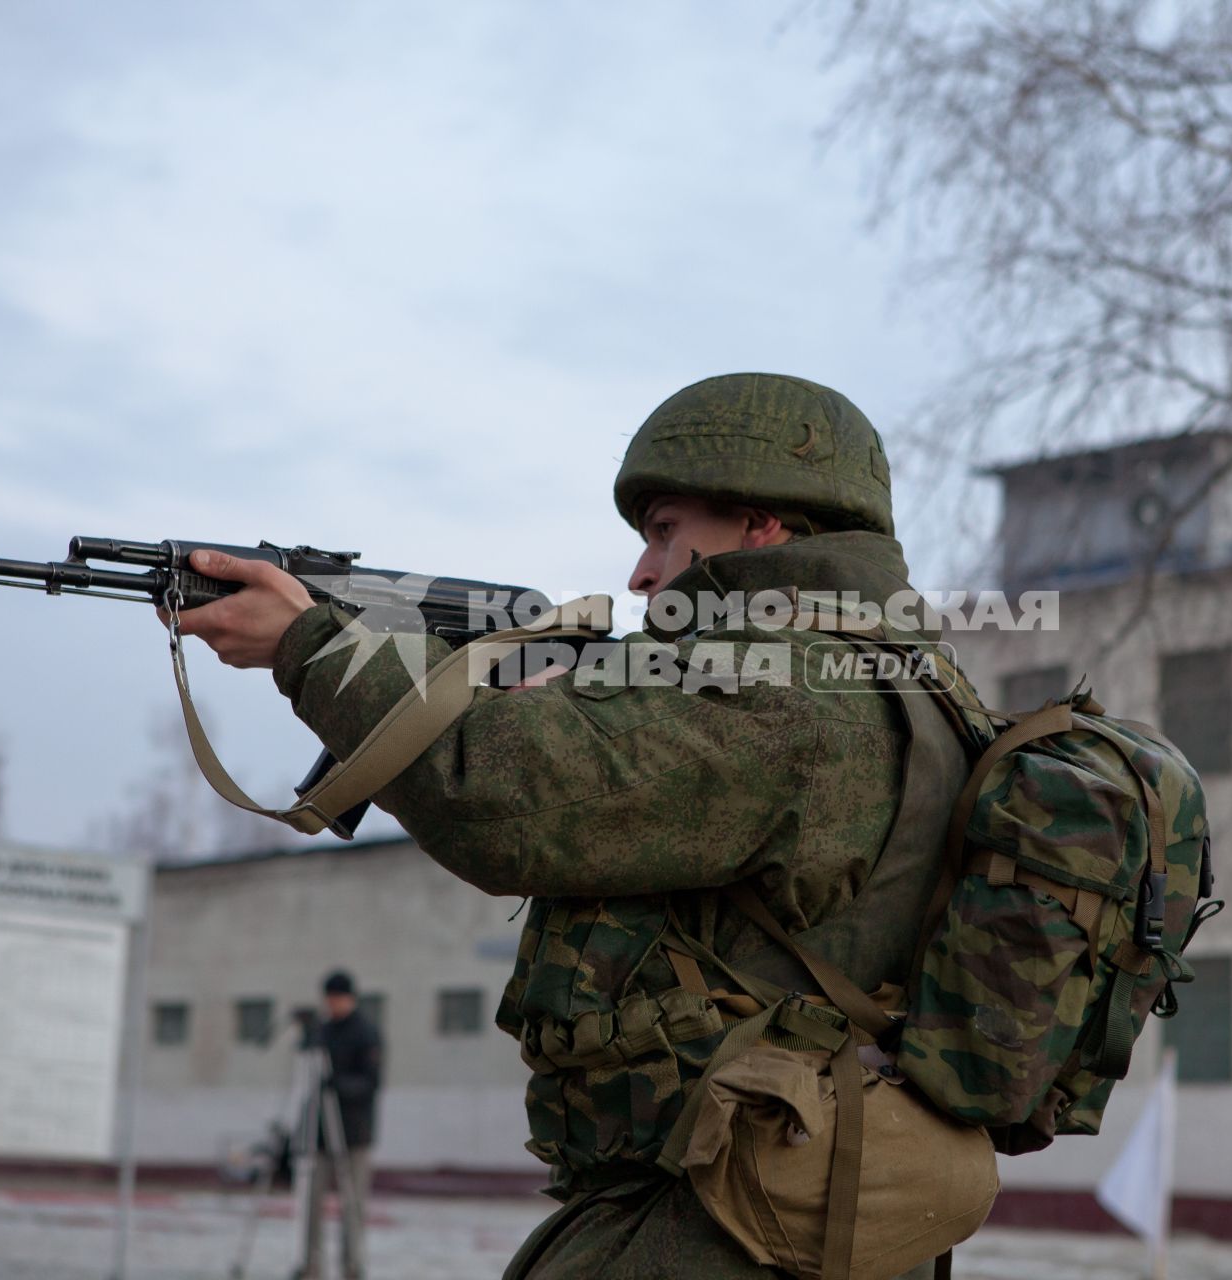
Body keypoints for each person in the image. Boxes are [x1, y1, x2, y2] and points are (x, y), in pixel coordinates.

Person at [175, 372, 990, 1279]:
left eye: (667, 531)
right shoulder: (887, 682)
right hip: (774, 1197)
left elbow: (489, 794)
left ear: (764, 523)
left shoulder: (786, 696)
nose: (641, 573)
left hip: (726, 1223)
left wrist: (309, 644)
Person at [295, 968, 383, 1280]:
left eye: (336, 999)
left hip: (354, 1134)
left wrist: (339, 1085)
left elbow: (371, 1082)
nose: (332, 1005)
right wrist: (306, 1034)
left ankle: (352, 1265)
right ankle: (310, 1264)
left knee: (352, 1205)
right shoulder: (324, 1030)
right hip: (319, 1134)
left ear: (349, 998)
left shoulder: (366, 1032)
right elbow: (307, 1060)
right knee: (311, 1204)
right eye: (328, 999)